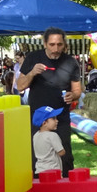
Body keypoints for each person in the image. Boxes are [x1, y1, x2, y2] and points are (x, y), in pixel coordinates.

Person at [17, 27, 82, 175]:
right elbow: (20, 86)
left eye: (59, 45)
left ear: (64, 44)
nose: (56, 49)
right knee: (37, 156)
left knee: (65, 154)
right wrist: (32, 73)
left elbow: (77, 90)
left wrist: (73, 95)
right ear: (45, 43)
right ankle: (38, 184)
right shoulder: (33, 58)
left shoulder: (70, 62)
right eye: (52, 44)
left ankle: (65, 184)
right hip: (38, 118)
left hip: (60, 117)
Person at [32, 106, 65, 175]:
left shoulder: (36, 135)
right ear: (44, 123)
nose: (57, 120)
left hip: (40, 170)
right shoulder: (52, 135)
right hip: (53, 171)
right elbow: (61, 152)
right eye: (53, 118)